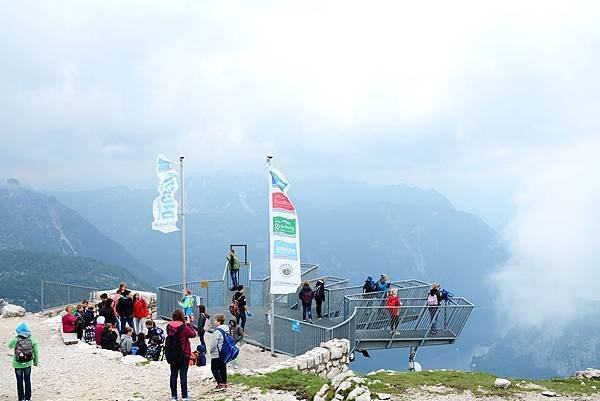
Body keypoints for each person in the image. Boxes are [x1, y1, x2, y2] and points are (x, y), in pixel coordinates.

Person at [166, 309, 196, 401]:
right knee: (183, 375)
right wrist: (189, 324)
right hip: (184, 353)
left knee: (173, 374)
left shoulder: (169, 326)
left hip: (173, 353)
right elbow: (193, 334)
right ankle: (184, 396)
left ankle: (174, 396)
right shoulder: (184, 327)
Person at [8, 322, 39, 401]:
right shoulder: (31, 338)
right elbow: (36, 350)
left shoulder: (16, 339)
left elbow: (9, 345)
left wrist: (15, 338)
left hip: (18, 364)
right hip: (28, 363)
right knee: (27, 380)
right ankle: (28, 398)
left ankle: (21, 398)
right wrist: (36, 361)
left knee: (19, 381)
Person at [209, 314, 230, 391]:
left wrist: (210, 351)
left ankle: (220, 383)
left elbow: (213, 344)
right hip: (224, 352)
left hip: (217, 353)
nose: (214, 322)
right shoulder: (226, 329)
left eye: (215, 320)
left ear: (219, 321)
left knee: (214, 369)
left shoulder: (217, 331)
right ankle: (224, 383)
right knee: (223, 368)